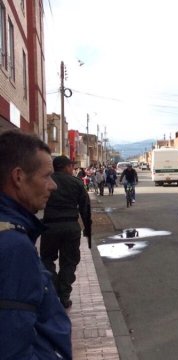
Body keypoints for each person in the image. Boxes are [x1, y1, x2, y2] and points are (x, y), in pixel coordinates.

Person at [0, 130, 72, 359]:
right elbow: (14, 346)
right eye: (46, 176)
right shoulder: (13, 246)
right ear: (19, 177)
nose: (53, 186)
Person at [39, 155, 92, 310]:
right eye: (71, 166)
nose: (72, 169)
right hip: (70, 227)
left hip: (49, 227)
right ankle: (64, 295)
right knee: (69, 262)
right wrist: (87, 229)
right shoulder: (75, 182)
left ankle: (54, 289)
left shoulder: (46, 181)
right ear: (65, 167)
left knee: (47, 259)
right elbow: (85, 208)